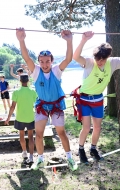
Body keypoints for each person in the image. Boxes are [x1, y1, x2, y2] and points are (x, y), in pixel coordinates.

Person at [16, 28, 78, 171]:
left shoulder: (56, 70)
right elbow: (27, 58)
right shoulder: (36, 71)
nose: (45, 64)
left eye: (47, 61)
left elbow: (68, 59)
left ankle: (69, 158)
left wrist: (69, 41)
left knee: (61, 133)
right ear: (38, 62)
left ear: (51, 61)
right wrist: (21, 40)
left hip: (56, 106)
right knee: (39, 134)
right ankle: (40, 159)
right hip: (42, 106)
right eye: (42, 62)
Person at [72, 31, 120, 163]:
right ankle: (80, 149)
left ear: (108, 56)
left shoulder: (113, 62)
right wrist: (83, 40)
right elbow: (76, 56)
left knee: (97, 127)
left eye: (103, 59)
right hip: (84, 99)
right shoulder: (90, 63)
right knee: (86, 128)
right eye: (98, 58)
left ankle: (93, 148)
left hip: (97, 99)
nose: (100, 62)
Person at [4, 74, 37, 164]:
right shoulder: (33, 92)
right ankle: (31, 156)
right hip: (30, 117)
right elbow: (37, 105)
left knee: (21, 135)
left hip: (20, 118)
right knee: (31, 137)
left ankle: (25, 152)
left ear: (20, 81)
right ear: (28, 81)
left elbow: (12, 107)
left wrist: (8, 118)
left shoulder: (16, 92)